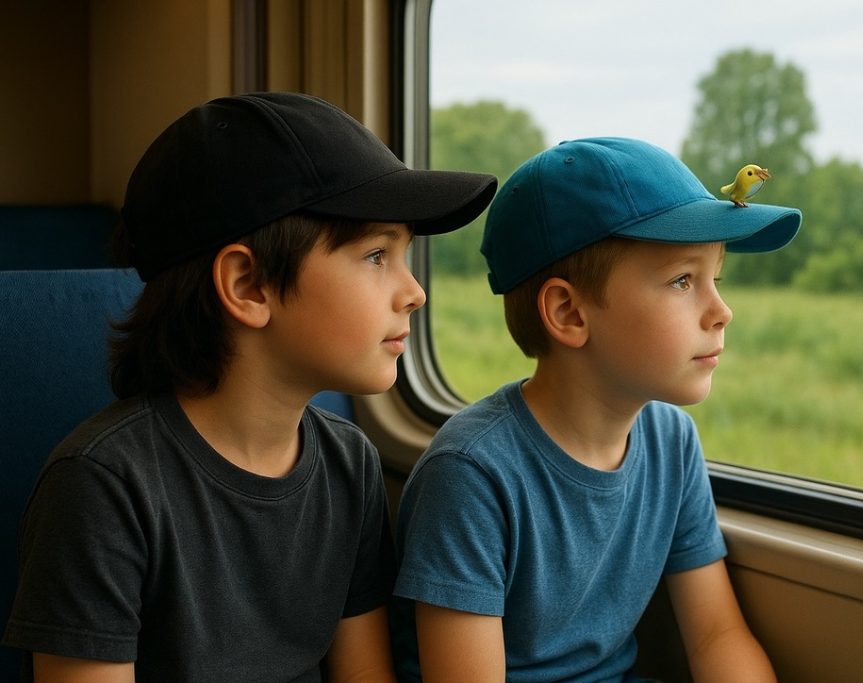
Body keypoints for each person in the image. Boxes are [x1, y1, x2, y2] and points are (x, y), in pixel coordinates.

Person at [2, 92, 496, 682]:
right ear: (248, 286)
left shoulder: (349, 462)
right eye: (375, 255)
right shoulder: (103, 487)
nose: (415, 292)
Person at [392, 137, 801, 681]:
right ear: (569, 312)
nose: (721, 311)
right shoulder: (471, 474)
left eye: (715, 280)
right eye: (683, 281)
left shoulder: (672, 442)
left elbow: (717, 636)